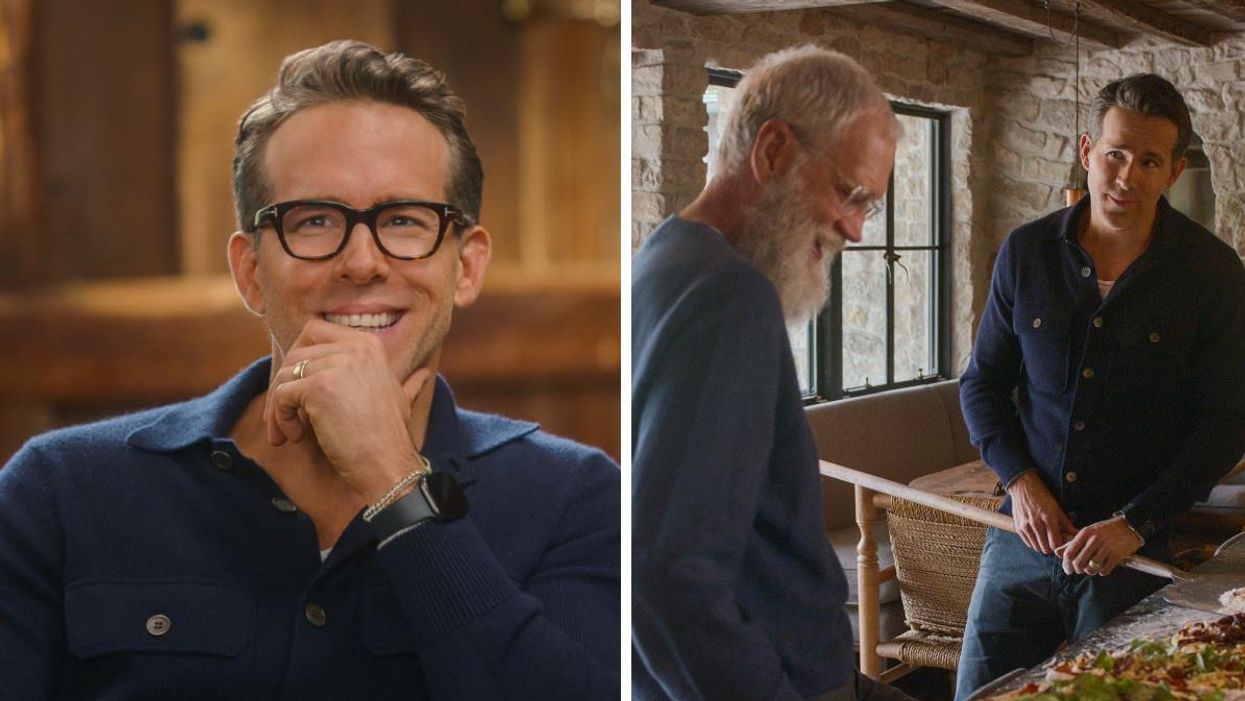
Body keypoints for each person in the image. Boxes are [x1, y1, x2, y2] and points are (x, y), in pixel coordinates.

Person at [0, 40, 619, 700]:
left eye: (403, 220)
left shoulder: (576, 498)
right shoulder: (58, 491)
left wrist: (394, 476)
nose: (360, 261)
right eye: (315, 220)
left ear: (464, 266)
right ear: (250, 272)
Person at [632, 45, 914, 701]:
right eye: (849, 193)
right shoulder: (727, 294)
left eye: (867, 205)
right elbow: (666, 573)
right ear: (773, 151)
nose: (855, 228)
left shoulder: (666, 256)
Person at [956, 73, 1245, 699]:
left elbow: (1225, 422)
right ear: (1087, 150)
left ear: (1172, 173)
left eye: (1148, 161)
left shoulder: (1214, 273)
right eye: (1115, 154)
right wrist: (1021, 484)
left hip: (1129, 556)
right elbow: (982, 385)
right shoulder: (1025, 252)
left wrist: (1136, 522)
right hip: (1019, 541)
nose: (1126, 176)